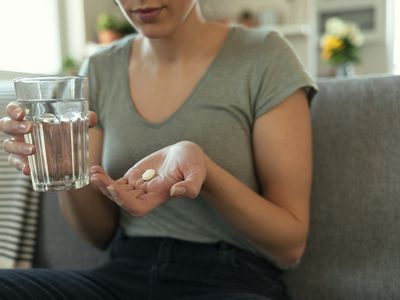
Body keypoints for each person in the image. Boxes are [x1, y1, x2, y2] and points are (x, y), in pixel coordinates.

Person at [0, 0, 317, 299]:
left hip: (230, 277)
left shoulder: (265, 56)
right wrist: (62, 165)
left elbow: (290, 246)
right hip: (123, 273)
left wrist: (203, 171)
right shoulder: (99, 68)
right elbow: (99, 234)